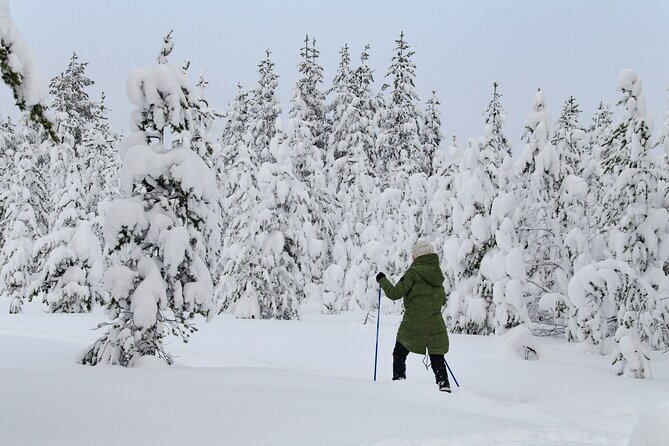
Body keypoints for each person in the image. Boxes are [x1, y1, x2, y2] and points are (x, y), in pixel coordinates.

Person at [375, 238, 451, 392]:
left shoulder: (413, 273)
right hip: (434, 325)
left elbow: (395, 293)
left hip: (413, 325)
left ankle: (398, 383)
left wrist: (382, 280)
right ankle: (444, 386)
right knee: (437, 357)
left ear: (417, 257)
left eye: (413, 255)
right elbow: (442, 300)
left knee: (399, 353)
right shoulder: (437, 275)